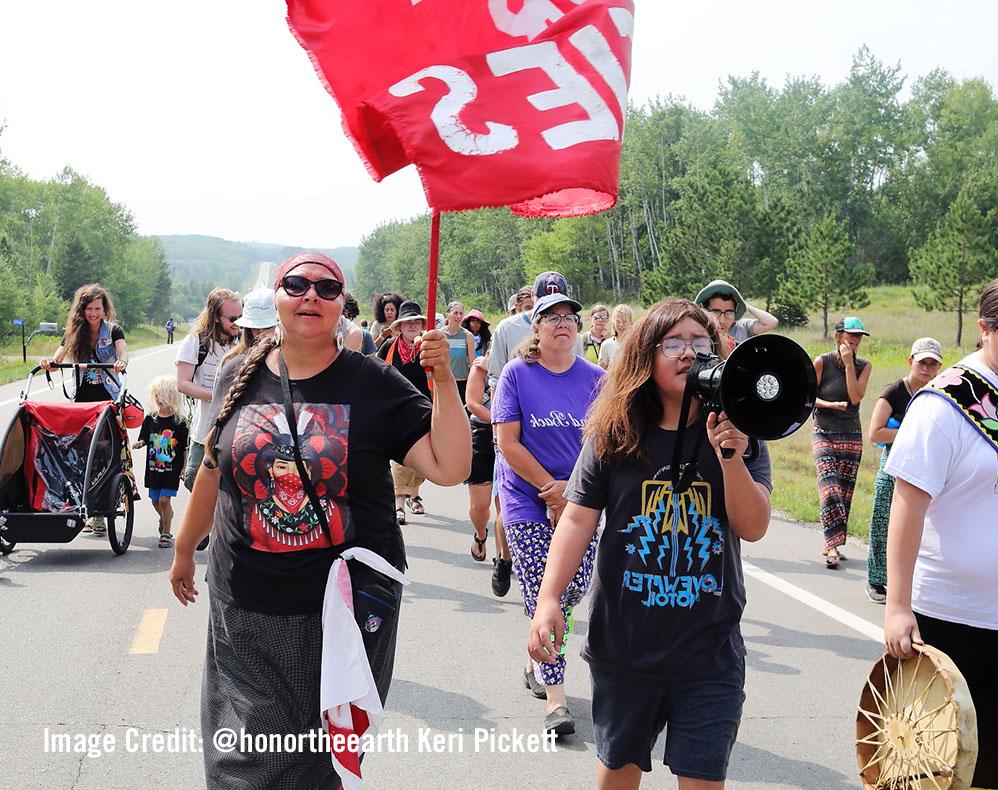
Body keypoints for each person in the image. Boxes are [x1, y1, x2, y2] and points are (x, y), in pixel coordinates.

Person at [169, 252, 470, 789]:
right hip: (244, 603)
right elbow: (214, 470)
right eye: (297, 284)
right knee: (243, 756)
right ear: (277, 298)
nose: (311, 295)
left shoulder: (373, 383)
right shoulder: (239, 374)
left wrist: (444, 380)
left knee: (314, 761)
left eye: (327, 288)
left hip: (342, 609)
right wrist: (184, 548)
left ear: (341, 305)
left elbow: (450, 467)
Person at [529, 299, 772, 788]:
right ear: (646, 355)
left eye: (700, 344)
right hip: (625, 647)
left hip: (710, 652)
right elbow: (577, 519)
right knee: (617, 772)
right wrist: (549, 599)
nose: (689, 354)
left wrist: (730, 459)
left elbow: (753, 525)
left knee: (703, 777)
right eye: (674, 344)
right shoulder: (614, 431)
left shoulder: (740, 433)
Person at [884, 279, 998, 788]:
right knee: (938, 772)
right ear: (984, 329)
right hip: (951, 622)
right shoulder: (946, 403)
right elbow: (906, 506)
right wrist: (897, 607)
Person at [492, 291, 604, 736]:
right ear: (535, 329)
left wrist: (569, 493)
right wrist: (549, 491)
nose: (563, 323)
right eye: (551, 317)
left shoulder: (596, 377)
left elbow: (604, 441)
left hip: (582, 499)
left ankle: (534, 653)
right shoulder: (518, 375)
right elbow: (508, 442)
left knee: (574, 586)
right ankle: (555, 701)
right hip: (526, 499)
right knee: (546, 591)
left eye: (570, 317)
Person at [41, 283, 129, 536]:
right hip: (82, 403)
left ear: (104, 309)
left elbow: (123, 351)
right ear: (81, 310)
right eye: (89, 308)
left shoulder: (113, 330)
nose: (93, 313)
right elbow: (57, 361)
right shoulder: (74, 333)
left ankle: (100, 513)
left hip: (107, 401)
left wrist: (121, 361)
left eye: (98, 308)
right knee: (81, 453)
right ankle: (80, 506)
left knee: (103, 453)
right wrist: (49, 363)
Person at [864, 337, 942, 604]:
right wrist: (910, 431)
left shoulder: (938, 393)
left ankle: (910, 582)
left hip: (925, 462)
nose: (927, 369)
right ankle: (876, 580)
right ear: (911, 361)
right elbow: (875, 432)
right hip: (893, 461)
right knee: (883, 520)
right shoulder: (894, 391)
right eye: (922, 362)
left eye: (933, 364)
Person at [811, 317, 873, 568]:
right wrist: (829, 405)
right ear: (838, 337)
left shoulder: (864, 365)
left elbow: (856, 396)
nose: (855, 340)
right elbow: (808, 397)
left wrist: (849, 365)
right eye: (851, 335)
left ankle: (831, 542)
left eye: (859, 336)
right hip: (824, 430)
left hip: (851, 434)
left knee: (844, 493)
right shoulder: (821, 362)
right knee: (830, 489)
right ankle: (834, 547)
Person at [176, 288, 241, 494]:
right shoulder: (195, 342)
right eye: (232, 318)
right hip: (204, 431)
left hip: (238, 432)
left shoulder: (243, 341)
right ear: (215, 317)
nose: (238, 323)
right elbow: (182, 383)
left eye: (241, 317)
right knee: (194, 481)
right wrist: (217, 396)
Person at [378, 300, 433, 524]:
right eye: (407, 322)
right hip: (396, 409)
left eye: (416, 322)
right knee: (401, 457)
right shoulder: (389, 347)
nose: (412, 326)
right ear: (399, 327)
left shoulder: (428, 346)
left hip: (425, 408)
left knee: (422, 457)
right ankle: (399, 504)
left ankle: (415, 495)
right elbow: (374, 370)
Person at [132, 375, 188, 548]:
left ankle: (166, 533)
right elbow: (144, 437)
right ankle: (165, 518)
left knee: (165, 500)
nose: (159, 399)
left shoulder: (180, 422)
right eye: (156, 395)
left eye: (163, 395)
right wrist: (140, 443)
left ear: (173, 397)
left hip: (171, 469)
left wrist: (184, 469)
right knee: (155, 501)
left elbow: (185, 449)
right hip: (154, 468)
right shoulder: (151, 418)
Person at [694, 279, 779, 358]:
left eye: (729, 312)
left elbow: (772, 322)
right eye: (716, 312)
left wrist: (745, 306)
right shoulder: (698, 333)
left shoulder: (742, 327)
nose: (722, 320)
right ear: (705, 311)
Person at [465, 353, 495, 562]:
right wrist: (500, 422)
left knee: (507, 504)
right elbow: (472, 403)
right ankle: (481, 535)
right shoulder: (481, 366)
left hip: (516, 436)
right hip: (483, 434)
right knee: (480, 505)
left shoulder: (526, 366)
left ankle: (504, 557)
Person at [224, 288, 277, 362]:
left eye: (268, 328)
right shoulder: (231, 361)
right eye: (255, 329)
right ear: (248, 330)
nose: (261, 334)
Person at [441, 301, 476, 403]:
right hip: (444, 381)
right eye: (455, 313)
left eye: (461, 313)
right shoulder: (440, 334)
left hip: (462, 381)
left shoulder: (467, 335)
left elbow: (472, 362)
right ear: (447, 315)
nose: (458, 316)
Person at [597, 303, 634, 370]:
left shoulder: (637, 344)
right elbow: (600, 370)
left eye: (624, 321)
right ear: (613, 321)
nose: (621, 325)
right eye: (618, 321)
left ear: (631, 322)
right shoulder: (606, 345)